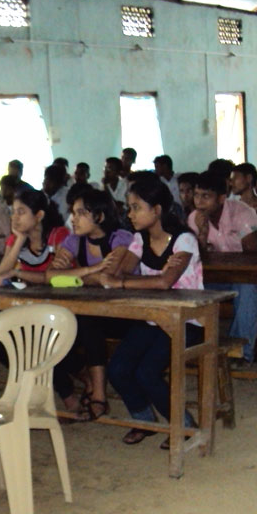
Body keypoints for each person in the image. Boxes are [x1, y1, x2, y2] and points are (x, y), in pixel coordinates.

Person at [98, 173, 204, 447]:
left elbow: (165, 282)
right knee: (118, 368)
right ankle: (144, 419)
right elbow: (118, 273)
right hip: (152, 318)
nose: (130, 214)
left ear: (156, 210)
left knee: (147, 373)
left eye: (136, 207)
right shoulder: (139, 239)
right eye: (129, 207)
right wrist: (124, 277)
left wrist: (125, 282)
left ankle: (185, 426)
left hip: (186, 320)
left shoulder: (184, 240)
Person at [48, 188, 132, 420]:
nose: (73, 219)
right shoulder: (74, 240)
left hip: (125, 314)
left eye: (80, 213)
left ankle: (99, 395)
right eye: (72, 213)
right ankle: (92, 385)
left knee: (87, 321)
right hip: (91, 313)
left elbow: (109, 277)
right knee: (57, 331)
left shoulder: (121, 238)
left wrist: (73, 276)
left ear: (99, 216)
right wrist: (91, 270)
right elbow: (51, 276)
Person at [189, 171, 257, 364]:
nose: (199, 202)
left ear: (221, 198)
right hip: (222, 277)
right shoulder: (195, 218)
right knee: (190, 286)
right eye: (197, 195)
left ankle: (241, 351)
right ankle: (194, 347)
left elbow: (253, 254)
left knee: (246, 287)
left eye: (206, 196)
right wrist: (202, 234)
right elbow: (194, 258)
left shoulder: (241, 213)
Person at [0, 189, 69, 286]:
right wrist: (20, 240)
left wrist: (17, 273)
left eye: (20, 212)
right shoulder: (15, 238)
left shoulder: (59, 235)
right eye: (13, 212)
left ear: (39, 215)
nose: (14, 217)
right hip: (30, 293)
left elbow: (49, 277)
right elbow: (1, 273)